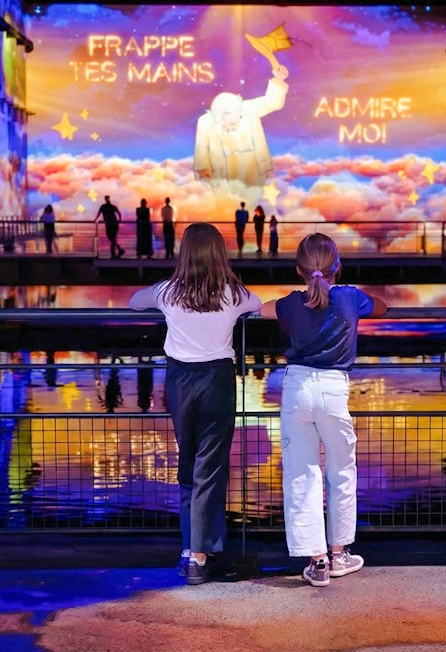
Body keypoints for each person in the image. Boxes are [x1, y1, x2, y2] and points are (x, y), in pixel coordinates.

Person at [129, 223, 261, 585]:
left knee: (188, 464)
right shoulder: (233, 294)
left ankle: (192, 549)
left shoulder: (168, 292)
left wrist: (162, 293)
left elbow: (134, 301)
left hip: (179, 381)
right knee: (209, 467)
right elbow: (258, 304)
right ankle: (201, 555)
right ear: (219, 254)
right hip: (216, 381)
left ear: (184, 253)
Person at [260, 233, 387, 587]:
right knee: (341, 470)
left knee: (302, 473)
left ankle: (316, 562)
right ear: (338, 266)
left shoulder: (291, 304)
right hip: (334, 390)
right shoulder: (349, 298)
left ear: (298, 269)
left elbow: (263, 309)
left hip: (298, 389)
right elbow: (382, 307)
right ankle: (340, 554)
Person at [194, 65, 290, 204]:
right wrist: (202, 171)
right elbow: (201, 148)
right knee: (227, 205)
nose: (235, 120)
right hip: (223, 173)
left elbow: (272, 102)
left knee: (253, 203)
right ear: (219, 115)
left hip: (252, 169)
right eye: (229, 116)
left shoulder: (249, 109)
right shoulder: (206, 121)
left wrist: (278, 80)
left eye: (238, 115)